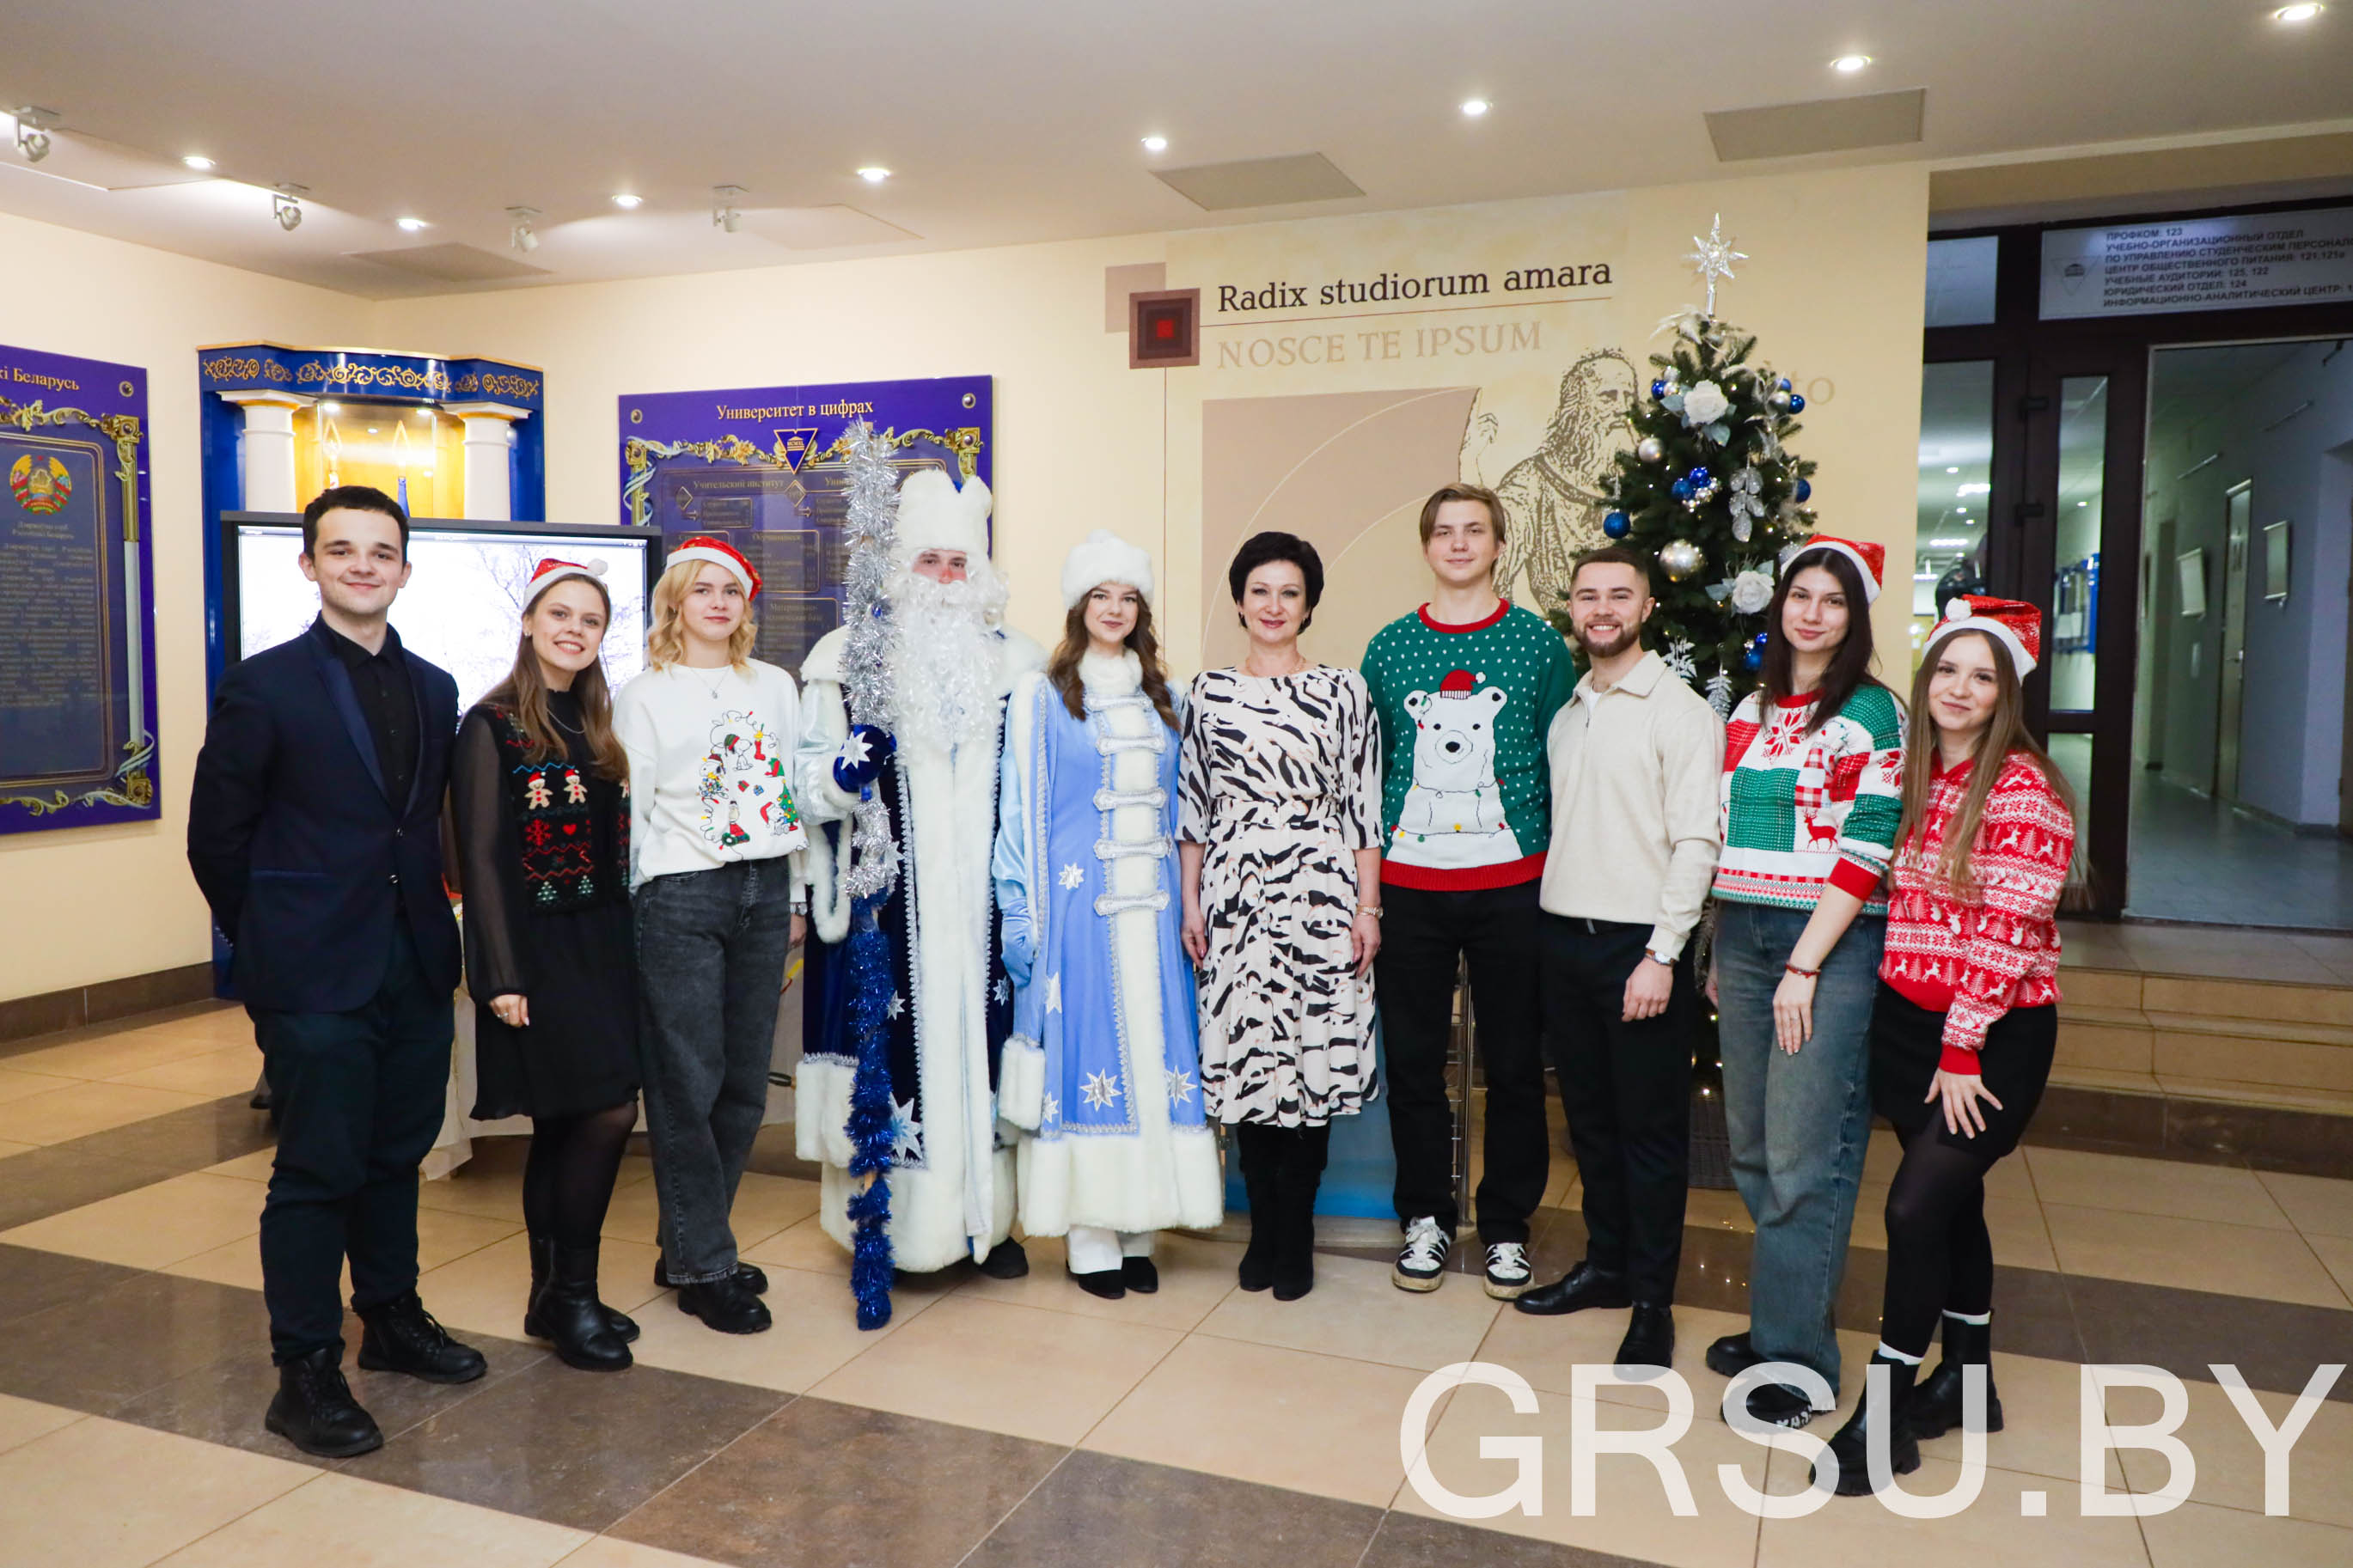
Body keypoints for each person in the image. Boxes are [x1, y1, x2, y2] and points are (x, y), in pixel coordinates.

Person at [187, 485, 484, 1458]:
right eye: (341, 549)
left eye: (381, 550)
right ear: (310, 565)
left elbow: (420, 827)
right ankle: (304, 1368)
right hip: (310, 972)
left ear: (404, 569)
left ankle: (390, 1317)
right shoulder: (263, 684)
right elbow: (215, 840)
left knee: (395, 1153)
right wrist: (274, 937)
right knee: (317, 1168)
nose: (363, 564)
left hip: (411, 961)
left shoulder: (436, 686)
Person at [1817, 597, 2075, 1494]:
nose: (1958, 689)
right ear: (1925, 680)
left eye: (1982, 675)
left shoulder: (2023, 790)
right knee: (1952, 1202)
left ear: (2004, 693)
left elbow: (2004, 934)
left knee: (1913, 1207)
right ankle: (1969, 1379)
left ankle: (1883, 1413)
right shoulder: (1906, 773)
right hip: (1903, 1023)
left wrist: (1960, 1047)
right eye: (1947, 669)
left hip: (1991, 1032)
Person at [796, 467, 1046, 1285]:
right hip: (887, 906)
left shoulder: (1022, 669)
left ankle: (991, 1221)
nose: (944, 580)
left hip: (987, 908)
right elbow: (802, 785)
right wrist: (843, 767)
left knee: (988, 1040)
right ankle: (897, 1232)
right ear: (904, 569)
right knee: (894, 1056)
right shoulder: (848, 662)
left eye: (958, 565)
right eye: (931, 562)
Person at [1706, 534, 1904, 1429]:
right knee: (1750, 1145)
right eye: (1799, 594)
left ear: (1852, 617)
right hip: (1743, 936)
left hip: (1824, 943)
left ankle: (1799, 1359)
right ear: (1779, 604)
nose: (1811, 611)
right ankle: (1776, 1321)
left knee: (1803, 1155)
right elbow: (1727, 836)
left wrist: (1803, 964)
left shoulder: (1870, 712)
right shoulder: (1748, 708)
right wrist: (1719, 947)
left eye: (1831, 599)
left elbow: (1865, 845)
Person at [993, 532, 1224, 1299]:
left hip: (1154, 910)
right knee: (1090, 1052)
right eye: (1102, 596)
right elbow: (1020, 808)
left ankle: (1140, 1223)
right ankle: (1091, 1231)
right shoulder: (1040, 693)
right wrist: (1020, 907)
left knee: (1155, 1053)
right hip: (1077, 908)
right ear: (1078, 605)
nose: (1116, 610)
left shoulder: (1171, 695)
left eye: (1129, 598)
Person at [1360, 484, 1574, 1299]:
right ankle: (1424, 1214)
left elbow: (1564, 764)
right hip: (1411, 885)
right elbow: (1370, 769)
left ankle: (1508, 1226)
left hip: (1514, 885)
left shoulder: (1535, 645)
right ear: (1426, 547)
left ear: (1497, 544)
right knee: (1415, 1060)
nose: (1458, 543)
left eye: (1473, 531)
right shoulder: (1389, 649)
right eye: (1443, 531)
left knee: (1515, 1064)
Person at [1513, 546, 1722, 1369]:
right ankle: (1605, 1265)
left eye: (1619, 595)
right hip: (1561, 941)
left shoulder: (1676, 711)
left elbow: (1697, 840)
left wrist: (1663, 954)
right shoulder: (1570, 712)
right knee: (1592, 1127)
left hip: (1639, 950)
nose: (1602, 607)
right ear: (1573, 607)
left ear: (1646, 608)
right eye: (1587, 594)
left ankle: (1652, 1302)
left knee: (1650, 1135)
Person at [449, 558, 642, 1371]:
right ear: (528, 622)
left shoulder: (593, 721)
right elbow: (482, 857)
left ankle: (550, 1293)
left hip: (598, 941)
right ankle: (572, 1298)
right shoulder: (489, 724)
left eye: (589, 620)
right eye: (558, 614)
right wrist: (498, 975)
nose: (573, 629)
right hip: (534, 949)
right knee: (602, 1113)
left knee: (571, 1121)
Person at [1179, 530, 1381, 1300]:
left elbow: (1365, 808)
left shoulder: (1344, 691)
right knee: (1251, 1066)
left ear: (1308, 605)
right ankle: (1262, 1230)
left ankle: (1294, 1237)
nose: (1273, 605)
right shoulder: (1205, 692)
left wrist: (1369, 907)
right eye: (1260, 590)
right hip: (1235, 900)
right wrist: (1193, 902)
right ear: (1238, 600)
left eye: (1289, 593)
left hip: (1323, 895)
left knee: (1312, 1065)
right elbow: (1192, 810)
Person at [614, 536, 807, 1335]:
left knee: (742, 1084)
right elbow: (634, 811)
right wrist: (632, 909)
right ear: (675, 605)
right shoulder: (644, 692)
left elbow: (790, 785)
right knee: (686, 1083)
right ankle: (704, 1262)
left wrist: (794, 893)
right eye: (703, 590)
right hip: (681, 892)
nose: (719, 603)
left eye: (732, 590)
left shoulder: (774, 685)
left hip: (764, 890)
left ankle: (694, 1242)